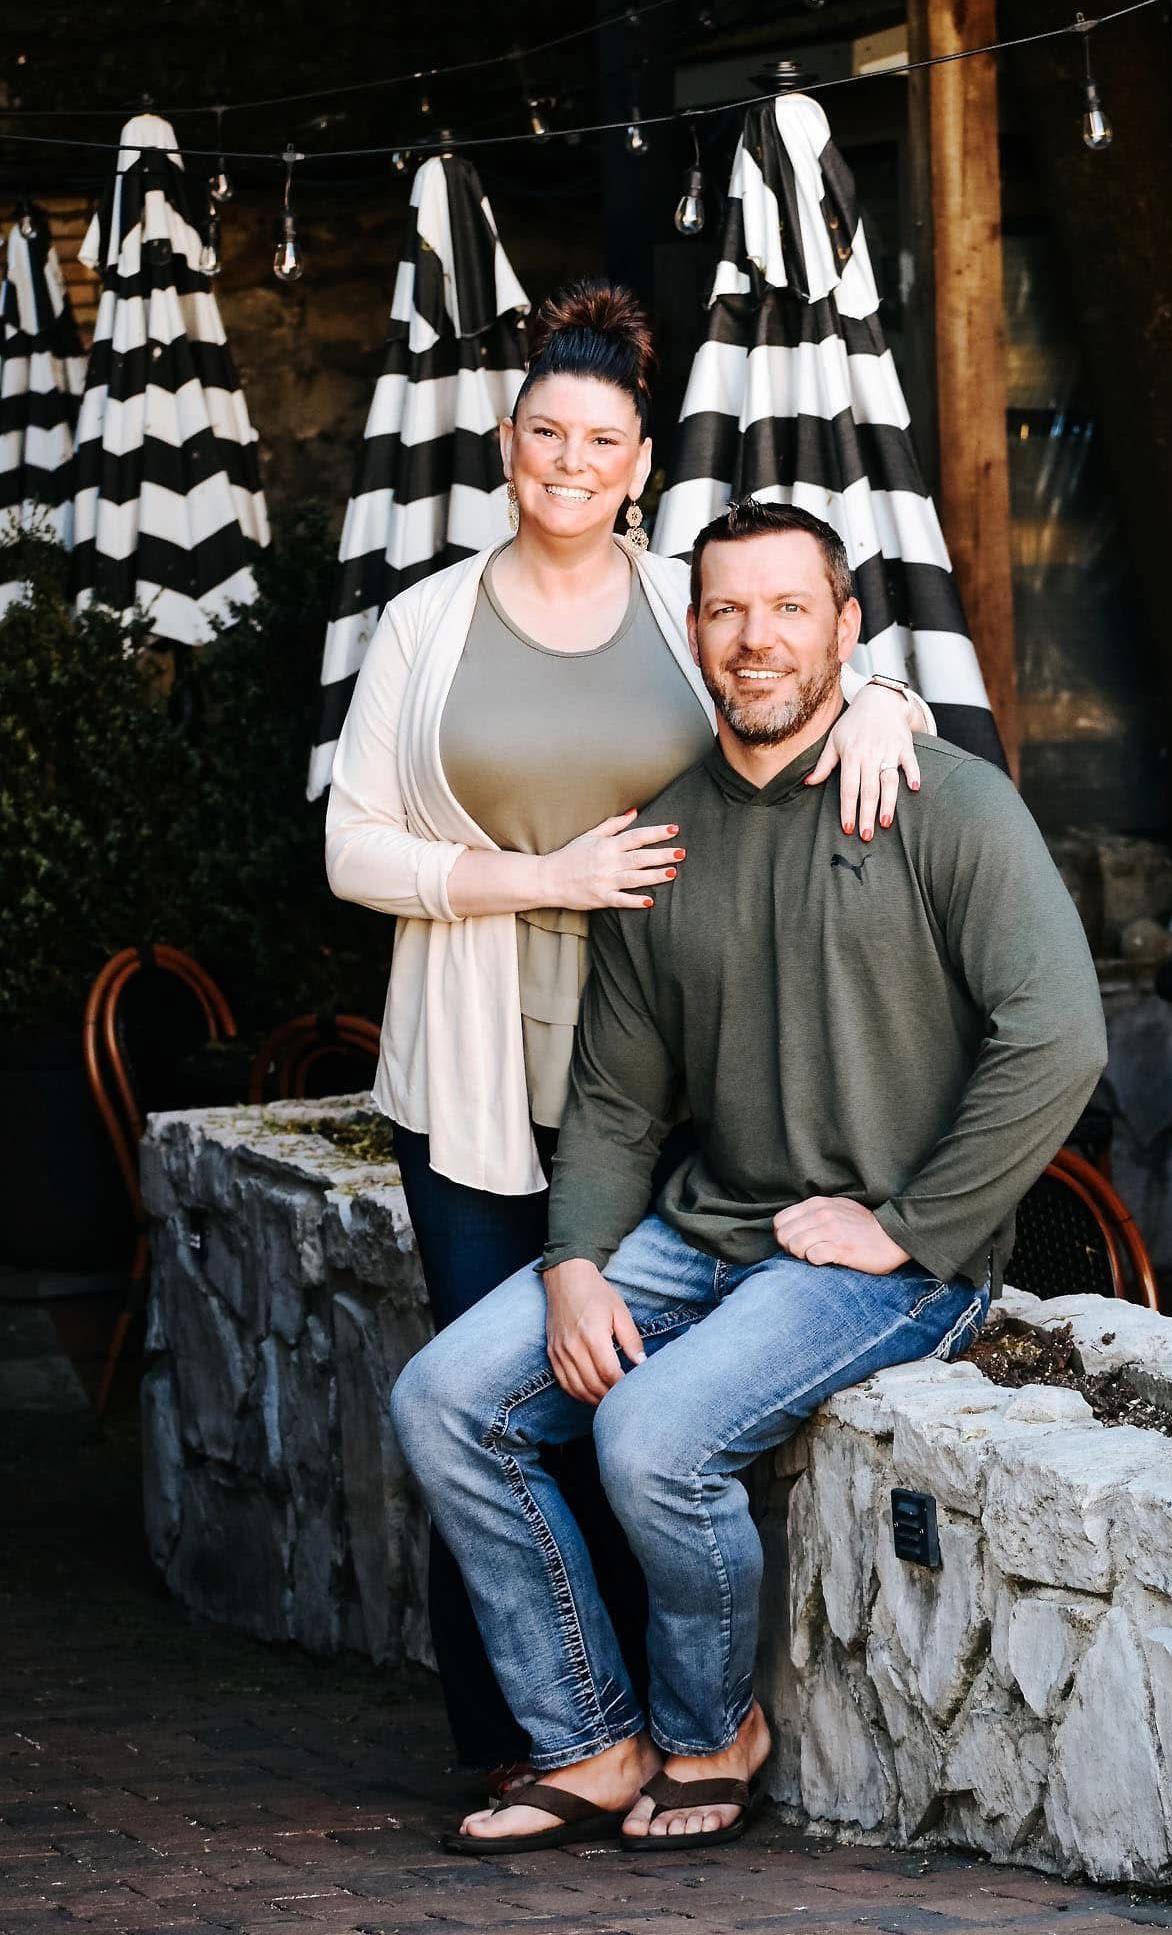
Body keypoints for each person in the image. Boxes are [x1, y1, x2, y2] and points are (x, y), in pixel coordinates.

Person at [389, 498, 1109, 1854]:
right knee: (444, 1399)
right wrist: (577, 1263)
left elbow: (1057, 1036)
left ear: (845, 628)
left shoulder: (946, 803)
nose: (754, 636)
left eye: (789, 607)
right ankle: (587, 1743)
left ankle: (711, 1731)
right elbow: (612, 1096)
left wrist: (912, 1227)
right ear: (695, 636)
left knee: (650, 1439)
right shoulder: (666, 837)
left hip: (886, 1263)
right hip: (706, 1225)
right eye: (724, 609)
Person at [325, 285, 934, 1791]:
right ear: (508, 445)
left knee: (619, 1387)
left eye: (601, 440)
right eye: (546, 434)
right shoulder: (424, 621)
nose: (570, 463)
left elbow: (784, 670)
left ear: (640, 460)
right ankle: (529, 1742)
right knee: (490, 1390)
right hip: (472, 1063)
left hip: (663, 1056)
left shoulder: (685, 603)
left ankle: (664, 1729)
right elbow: (351, 848)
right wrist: (541, 880)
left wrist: (888, 701)